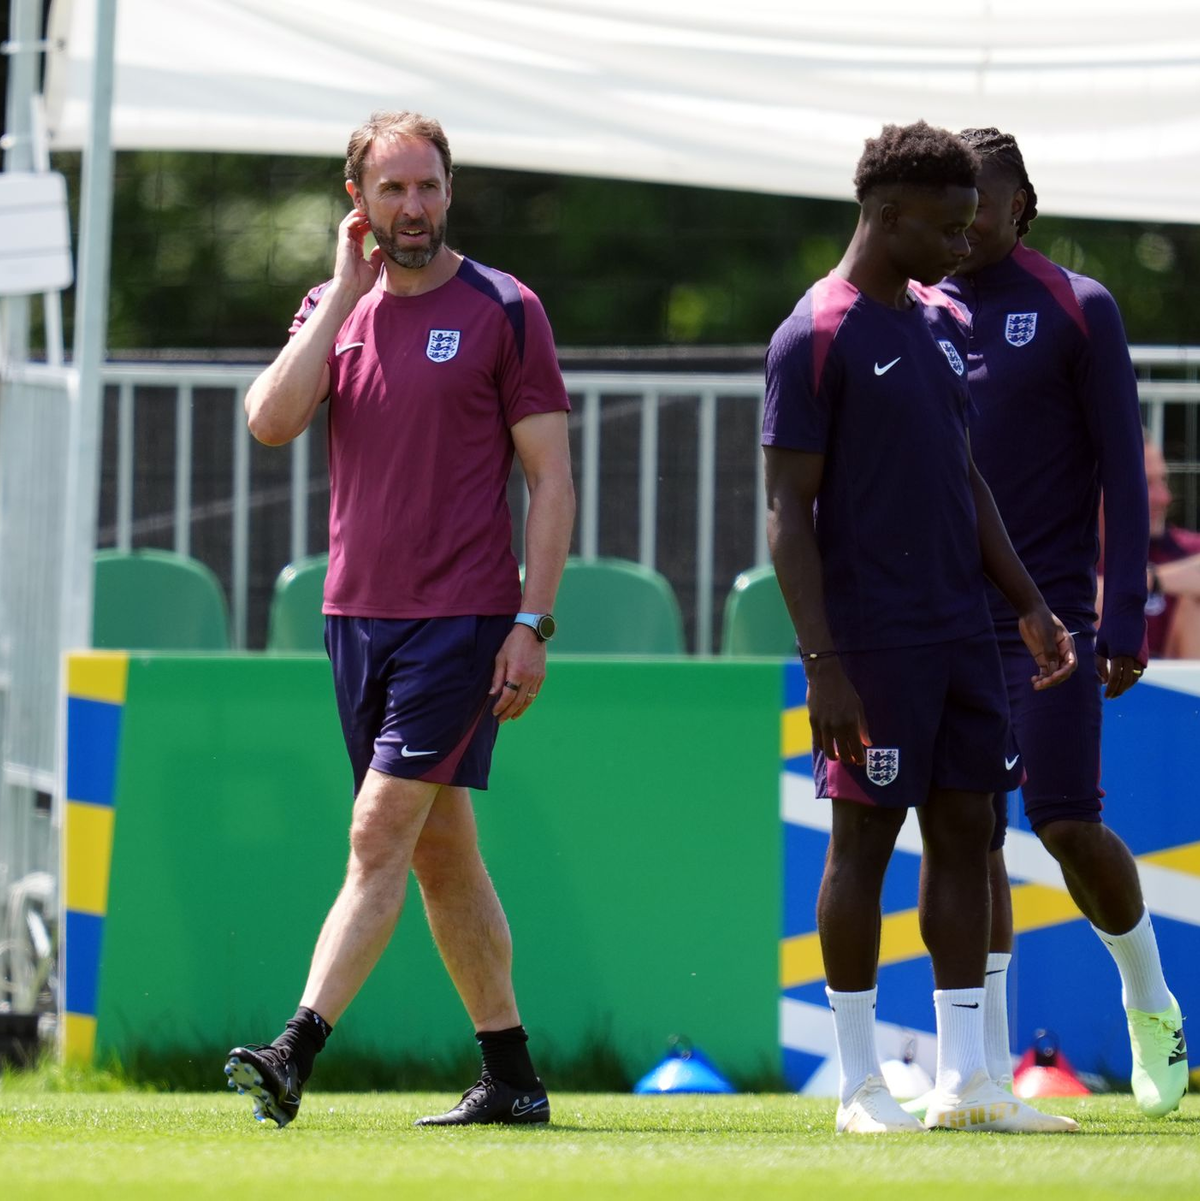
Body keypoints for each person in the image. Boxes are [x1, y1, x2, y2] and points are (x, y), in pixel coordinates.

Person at [224, 111, 575, 1128]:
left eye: (427, 186)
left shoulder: (505, 306)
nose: (412, 207)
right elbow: (270, 421)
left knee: (378, 831)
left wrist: (533, 620)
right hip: (354, 619)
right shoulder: (333, 307)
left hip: (462, 619)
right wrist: (342, 291)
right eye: (392, 189)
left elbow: (552, 479)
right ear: (359, 202)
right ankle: (512, 1075)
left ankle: (294, 1049)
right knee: (441, 852)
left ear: (450, 191)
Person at [764, 120, 1079, 1135]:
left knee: (967, 833)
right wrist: (824, 664)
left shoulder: (941, 319)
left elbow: (965, 477)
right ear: (888, 215)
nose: (963, 243)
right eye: (947, 227)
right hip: (872, 644)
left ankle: (967, 1083)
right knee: (862, 843)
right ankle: (859, 1085)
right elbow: (786, 514)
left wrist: (1026, 600)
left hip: (962, 632)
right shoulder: (816, 331)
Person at [929, 128, 1187, 1118]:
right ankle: (985, 1070)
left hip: (1056, 621)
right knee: (970, 831)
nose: (961, 225)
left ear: (1020, 207)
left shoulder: (1080, 305)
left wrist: (1123, 615)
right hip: (945, 617)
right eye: (948, 208)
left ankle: (1149, 998)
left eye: (979, 206)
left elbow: (1123, 467)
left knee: (1067, 820)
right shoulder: (918, 305)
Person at [1144, 435, 1200, 658]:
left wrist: (1149, 581)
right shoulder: (1073, 554)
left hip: (1174, 674)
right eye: (1146, 484)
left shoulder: (1183, 548)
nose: (1164, 498)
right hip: (1101, 671)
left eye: (1163, 481)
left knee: (1195, 600)